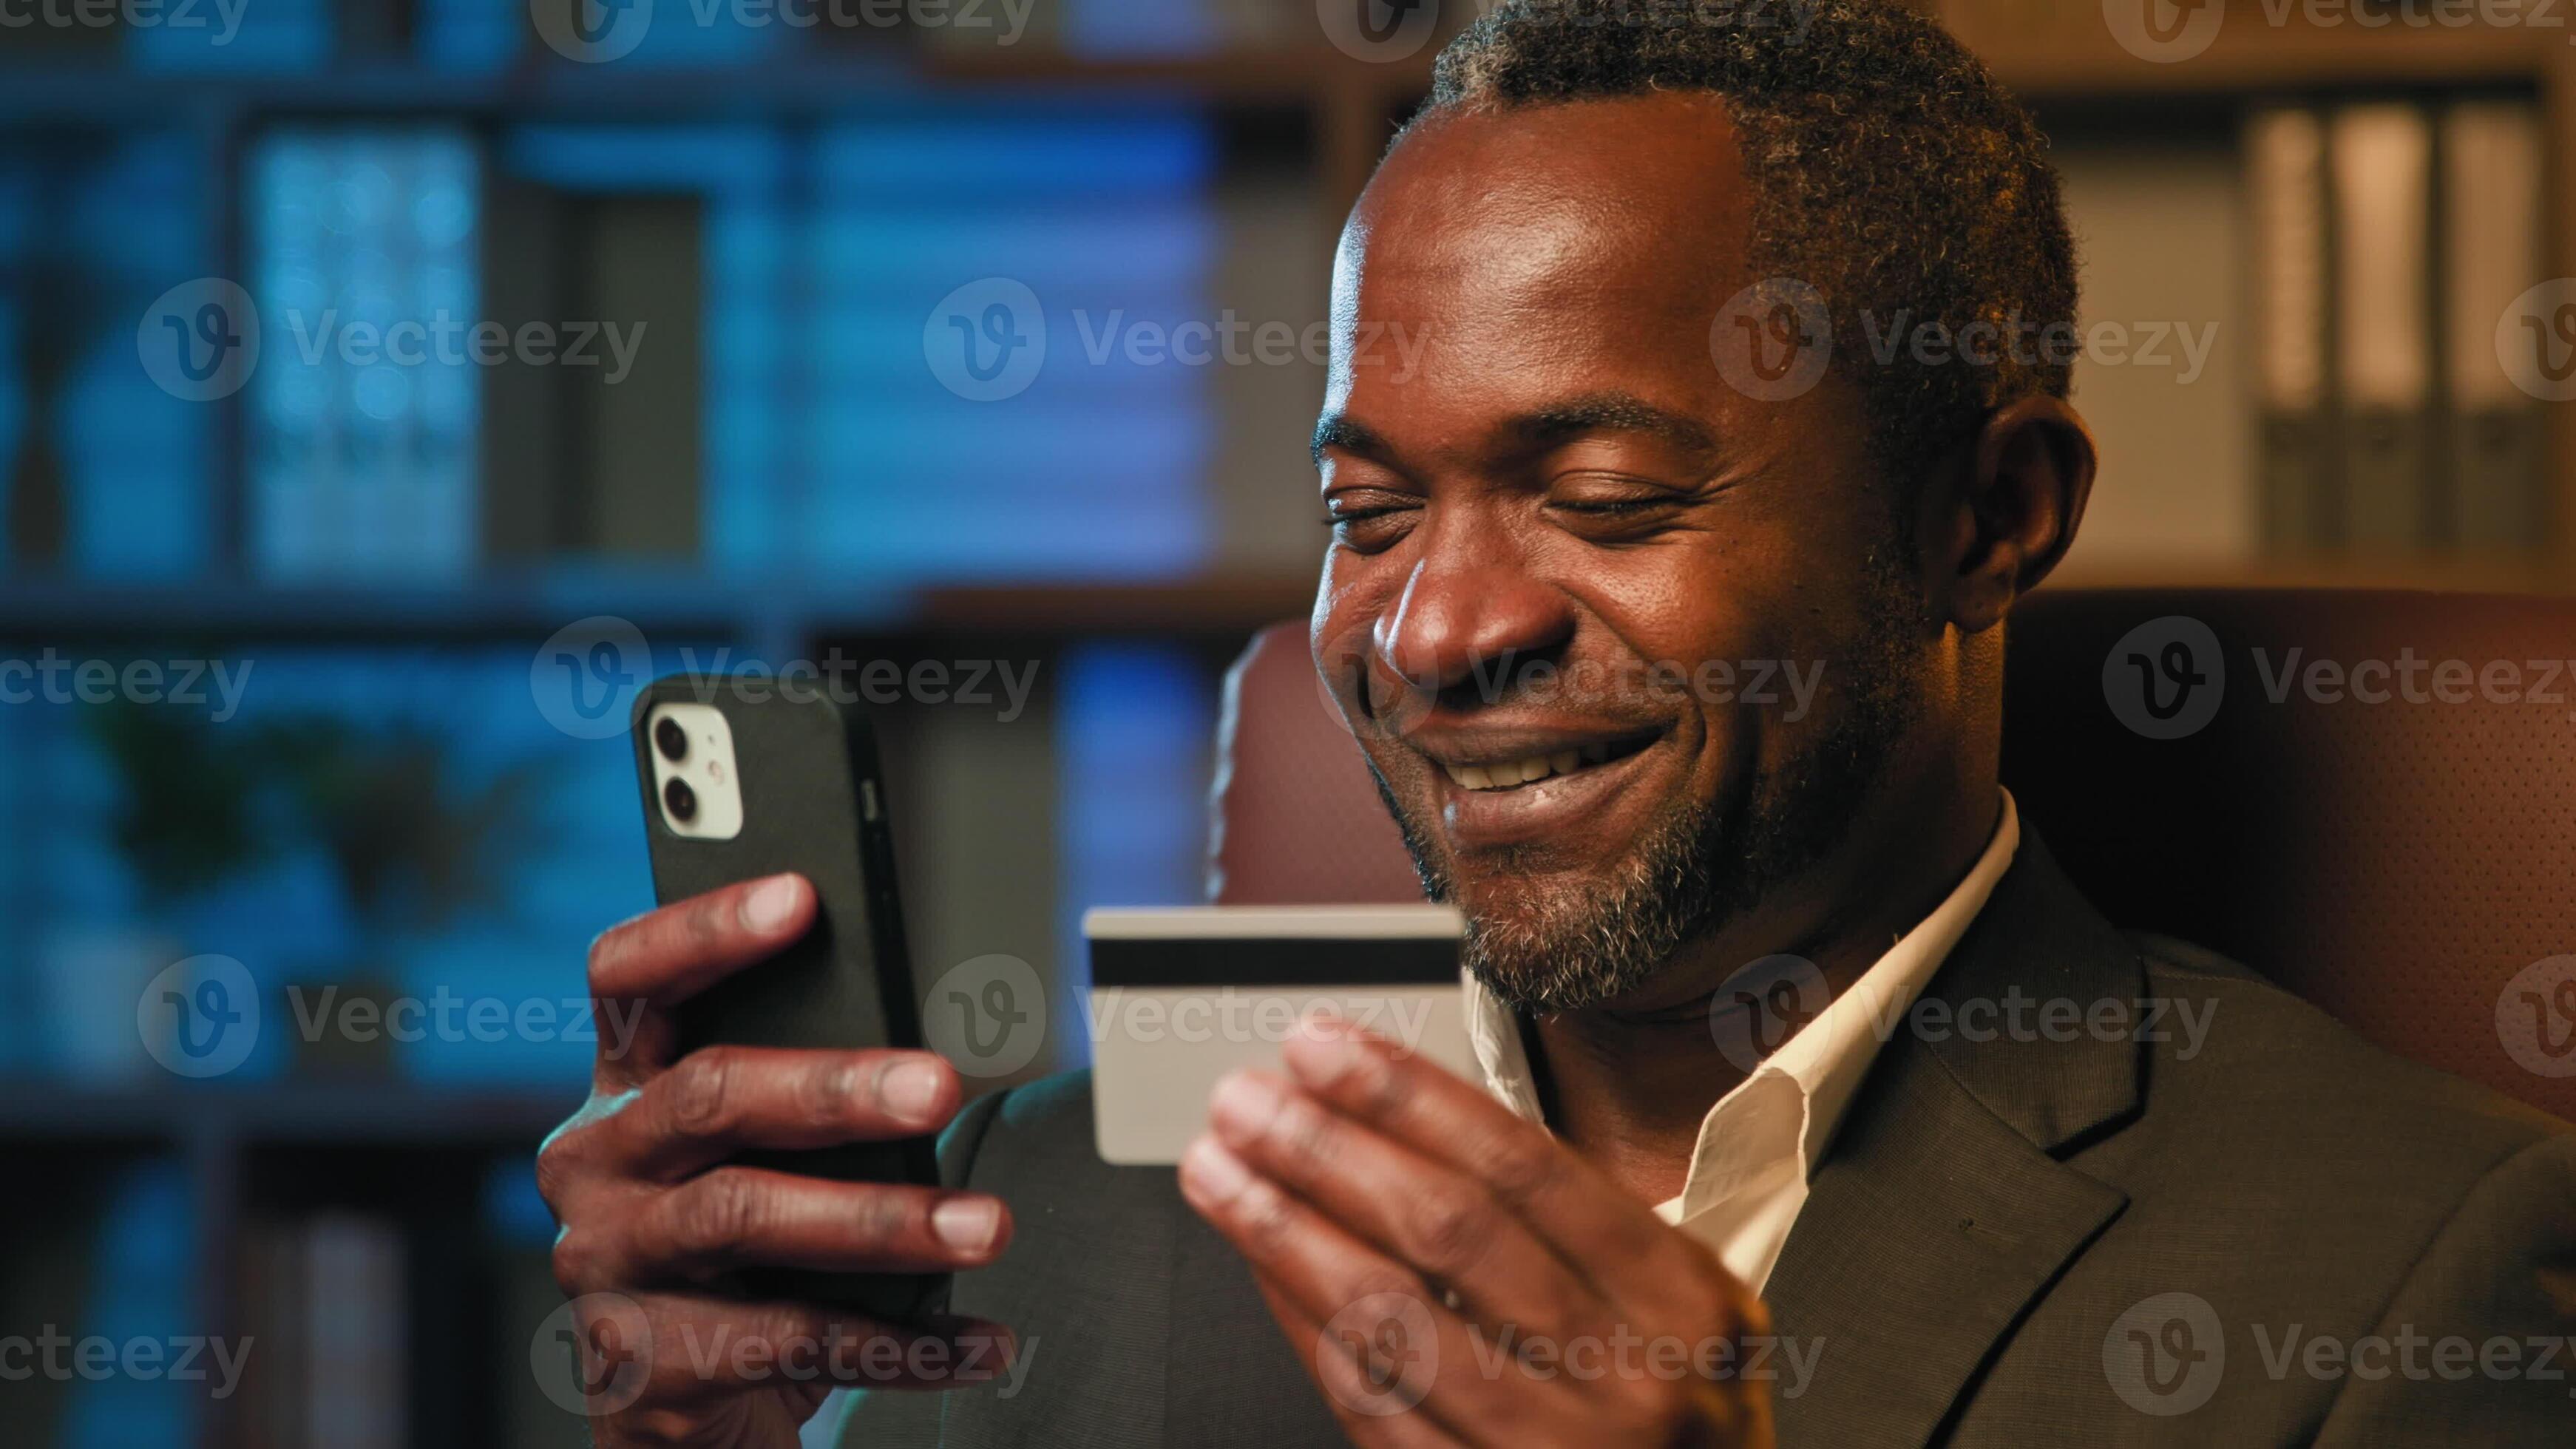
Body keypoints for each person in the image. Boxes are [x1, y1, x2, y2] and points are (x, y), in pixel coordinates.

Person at [535, 3, 2576, 1444]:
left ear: (1986, 520)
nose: (1434, 632)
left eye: (1602, 497)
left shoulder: (2428, 1274)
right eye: (1365, 516)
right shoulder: (1049, 1190)